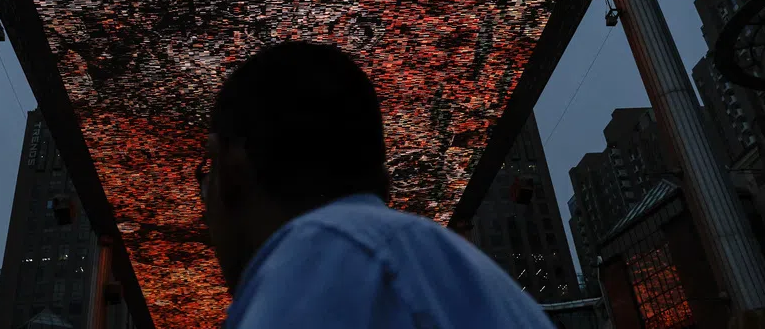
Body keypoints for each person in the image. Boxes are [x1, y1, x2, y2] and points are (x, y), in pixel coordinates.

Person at [196, 40, 557, 329]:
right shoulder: (448, 270)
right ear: (382, 181)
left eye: (205, 171)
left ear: (231, 163)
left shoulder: (324, 251)